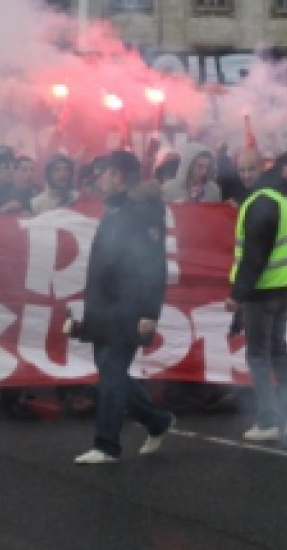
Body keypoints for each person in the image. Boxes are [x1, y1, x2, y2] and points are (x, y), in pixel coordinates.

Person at [73, 150, 174, 464]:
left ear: (117, 175)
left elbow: (153, 265)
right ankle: (157, 420)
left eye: (104, 172)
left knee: (112, 371)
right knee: (110, 372)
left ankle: (107, 445)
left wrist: (149, 312)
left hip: (127, 307)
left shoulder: (142, 211)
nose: (100, 178)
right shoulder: (116, 209)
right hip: (106, 306)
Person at [225, 152, 287, 441]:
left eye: (249, 168)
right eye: (241, 168)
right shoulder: (276, 198)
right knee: (277, 350)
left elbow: (254, 256)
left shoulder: (260, 201)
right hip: (285, 287)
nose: (245, 174)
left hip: (264, 290)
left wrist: (237, 295)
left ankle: (267, 421)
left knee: (259, 355)